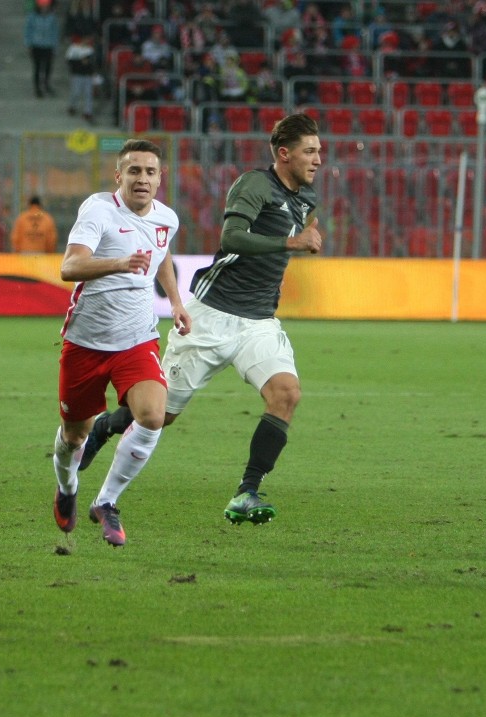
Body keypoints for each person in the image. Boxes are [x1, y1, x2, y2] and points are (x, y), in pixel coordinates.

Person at [79, 114, 323, 526]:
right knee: (160, 415)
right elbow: (232, 238)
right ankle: (106, 424)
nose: (318, 159)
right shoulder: (254, 185)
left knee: (287, 394)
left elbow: (302, 233)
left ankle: (247, 491)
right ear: (285, 154)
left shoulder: (307, 199)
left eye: (319, 151)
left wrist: (305, 238)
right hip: (213, 315)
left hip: (260, 321)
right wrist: (291, 241)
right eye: (310, 151)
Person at [52, 138, 191, 547]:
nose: (142, 179)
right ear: (119, 176)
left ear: (160, 178)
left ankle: (107, 501)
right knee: (73, 436)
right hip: (86, 342)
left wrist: (177, 302)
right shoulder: (98, 211)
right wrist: (121, 262)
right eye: (134, 171)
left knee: (151, 416)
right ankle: (67, 486)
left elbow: (161, 253)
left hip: (137, 339)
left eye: (150, 172)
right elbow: (69, 266)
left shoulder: (168, 218)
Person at [24, 0, 59, 98]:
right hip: (36, 45)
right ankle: (37, 88)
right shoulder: (32, 17)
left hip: (48, 45)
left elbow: (55, 33)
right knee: (37, 67)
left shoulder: (52, 17)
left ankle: (46, 84)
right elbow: (28, 30)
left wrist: (55, 47)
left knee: (48, 67)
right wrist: (28, 44)